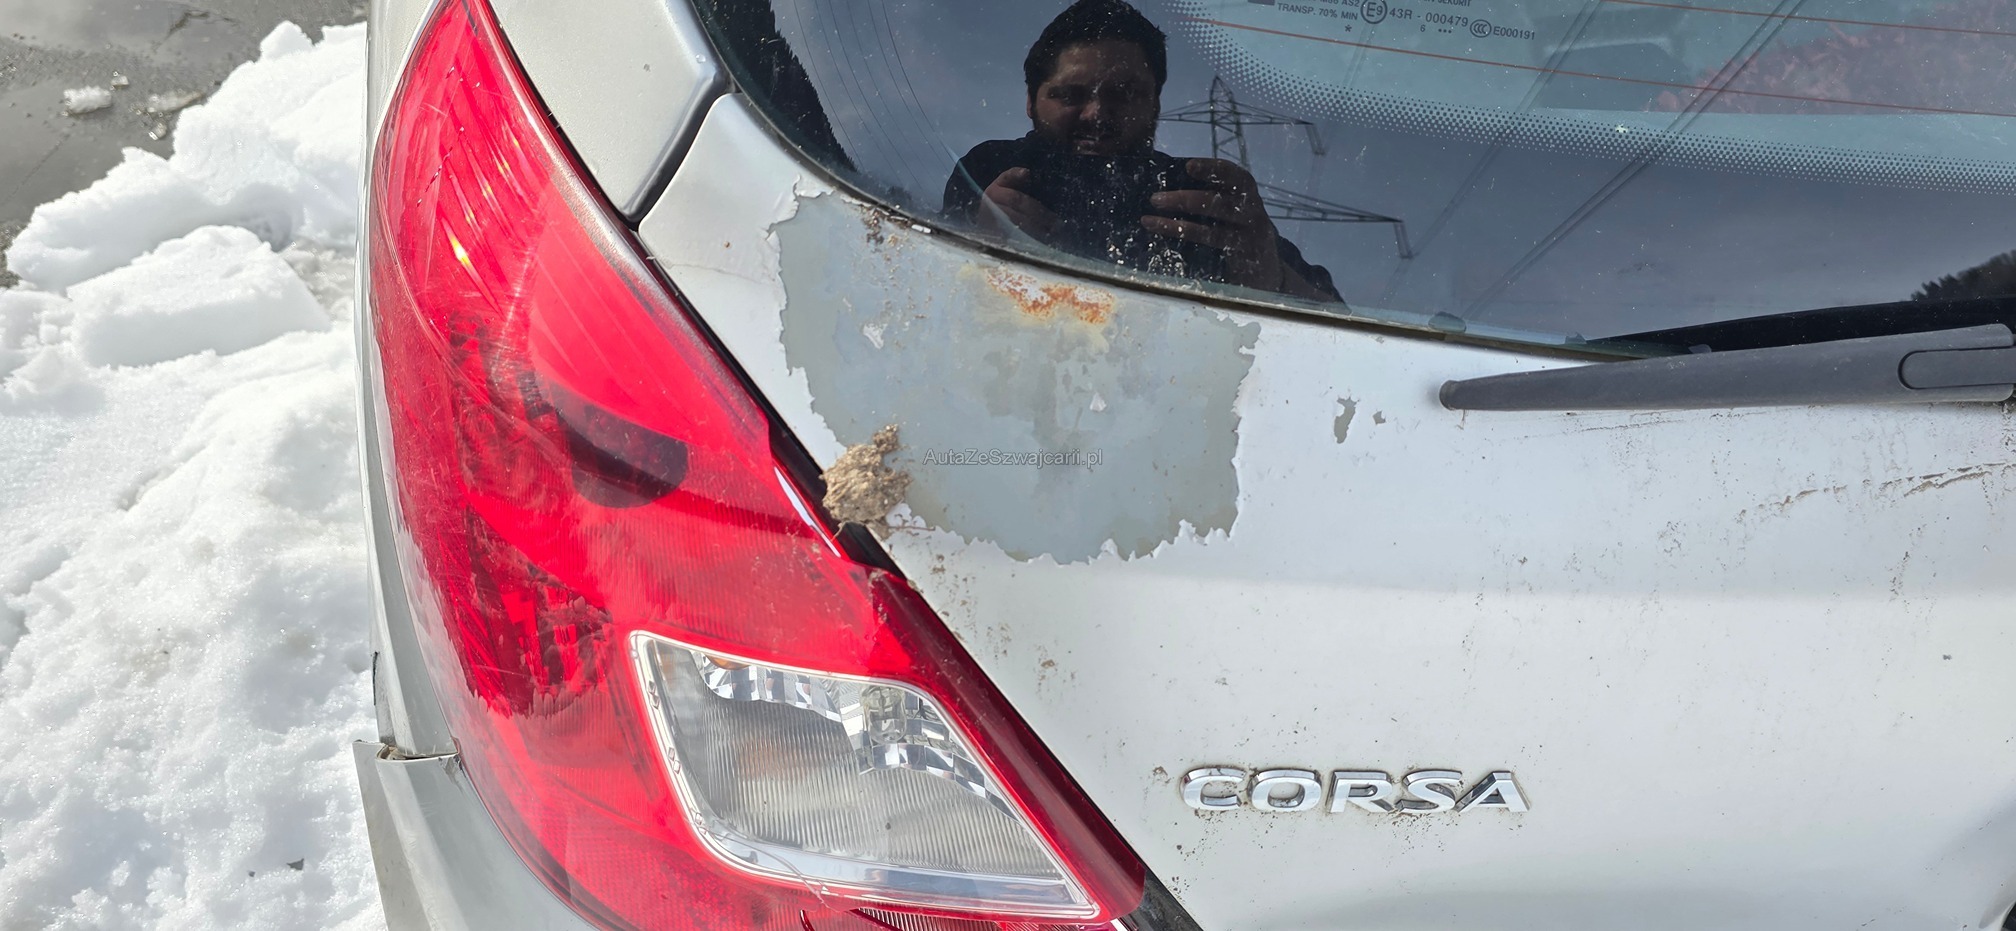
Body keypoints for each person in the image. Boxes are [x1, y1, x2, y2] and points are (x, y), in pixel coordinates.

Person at [943, 0, 1339, 302]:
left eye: (1124, 94)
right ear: (1031, 101)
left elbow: (1337, 318)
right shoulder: (992, 170)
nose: (1097, 114)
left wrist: (1269, 276)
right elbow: (932, 290)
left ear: (1155, 105)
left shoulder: (1199, 196)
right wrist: (977, 241)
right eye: (1070, 95)